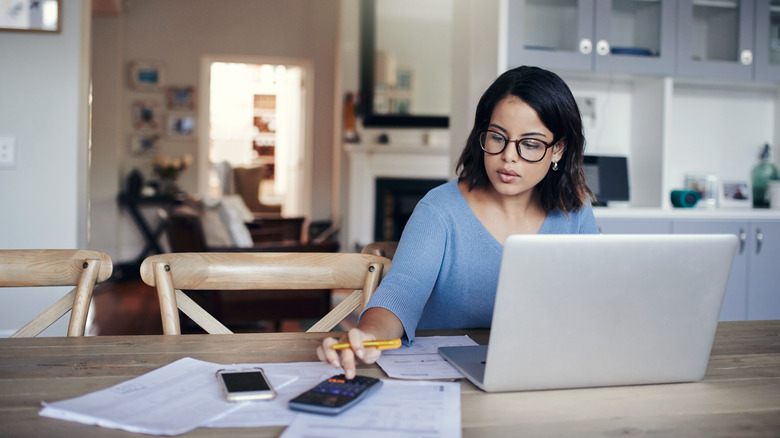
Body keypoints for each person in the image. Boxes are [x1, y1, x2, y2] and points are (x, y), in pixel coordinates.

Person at [317, 66, 599, 378]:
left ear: (557, 149)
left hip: (539, 372)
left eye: (530, 144)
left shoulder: (575, 212)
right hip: (443, 377)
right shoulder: (439, 210)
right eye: (497, 137)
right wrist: (368, 335)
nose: (509, 156)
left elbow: (594, 303)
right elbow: (401, 292)